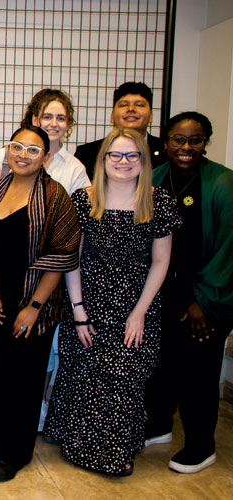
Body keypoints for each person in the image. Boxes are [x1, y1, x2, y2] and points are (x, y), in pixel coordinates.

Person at [43, 128, 179, 476]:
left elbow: (161, 261)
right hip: (87, 303)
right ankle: (77, 444)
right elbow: (72, 258)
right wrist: (78, 312)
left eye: (132, 155)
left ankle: (114, 452)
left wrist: (139, 312)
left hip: (136, 307)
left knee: (123, 380)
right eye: (115, 155)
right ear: (103, 160)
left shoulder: (159, 202)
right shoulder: (83, 200)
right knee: (83, 377)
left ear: (143, 161)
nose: (123, 162)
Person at [0, 125, 80, 482]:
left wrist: (33, 307)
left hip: (35, 304)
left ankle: (16, 453)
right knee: (5, 370)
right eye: (17, 146)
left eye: (33, 150)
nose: (23, 155)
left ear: (45, 157)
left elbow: (62, 257)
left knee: (26, 377)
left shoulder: (55, 196)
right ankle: (1, 436)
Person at [144, 112, 233, 474]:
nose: (186, 147)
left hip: (207, 298)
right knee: (161, 365)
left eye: (195, 140)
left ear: (205, 143)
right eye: (178, 139)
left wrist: (202, 301)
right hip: (166, 294)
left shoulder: (223, 184)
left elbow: (228, 249)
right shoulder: (156, 178)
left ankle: (201, 445)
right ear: (165, 142)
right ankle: (158, 425)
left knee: (198, 373)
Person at [0, 88, 90, 196]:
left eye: (61, 118)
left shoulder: (75, 169)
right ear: (35, 120)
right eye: (47, 117)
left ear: (68, 124)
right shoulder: (7, 155)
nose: (54, 124)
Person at [74, 81, 165, 180]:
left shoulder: (165, 151)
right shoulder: (87, 153)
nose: (131, 109)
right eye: (124, 105)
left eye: (139, 105)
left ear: (151, 116)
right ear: (112, 116)